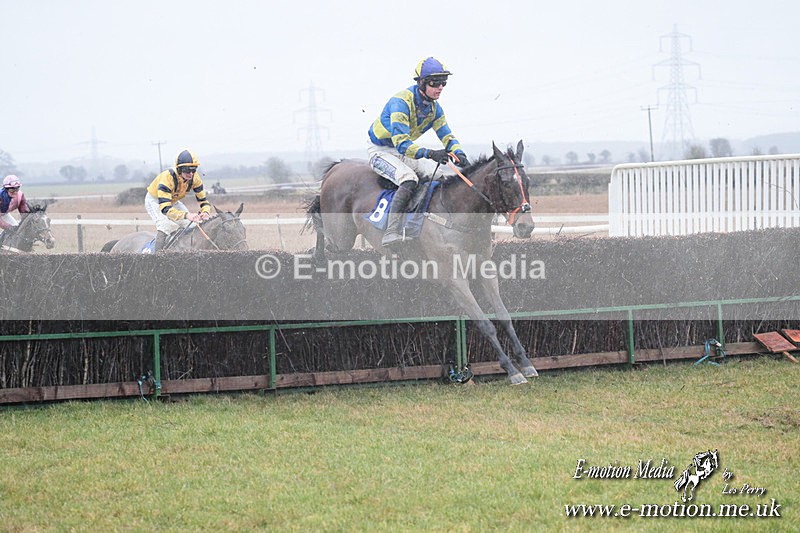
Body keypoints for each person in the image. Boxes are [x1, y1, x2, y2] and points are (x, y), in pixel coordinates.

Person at [368, 57, 470, 247]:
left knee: (439, 177)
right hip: (381, 150)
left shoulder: (434, 109)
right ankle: (391, 231)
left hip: (402, 151)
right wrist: (431, 154)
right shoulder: (401, 102)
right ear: (421, 83)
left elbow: (446, 135)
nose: (440, 88)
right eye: (435, 83)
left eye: (443, 83)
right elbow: (402, 145)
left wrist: (459, 153)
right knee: (409, 178)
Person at [145, 149, 212, 252]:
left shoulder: (195, 178)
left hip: (172, 201)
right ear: (179, 169)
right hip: (156, 201)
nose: (191, 174)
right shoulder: (167, 178)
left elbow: (203, 201)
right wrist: (187, 215)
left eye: (193, 170)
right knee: (166, 225)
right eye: (187, 170)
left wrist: (205, 212)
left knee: (194, 225)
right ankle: (157, 258)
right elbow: (165, 209)